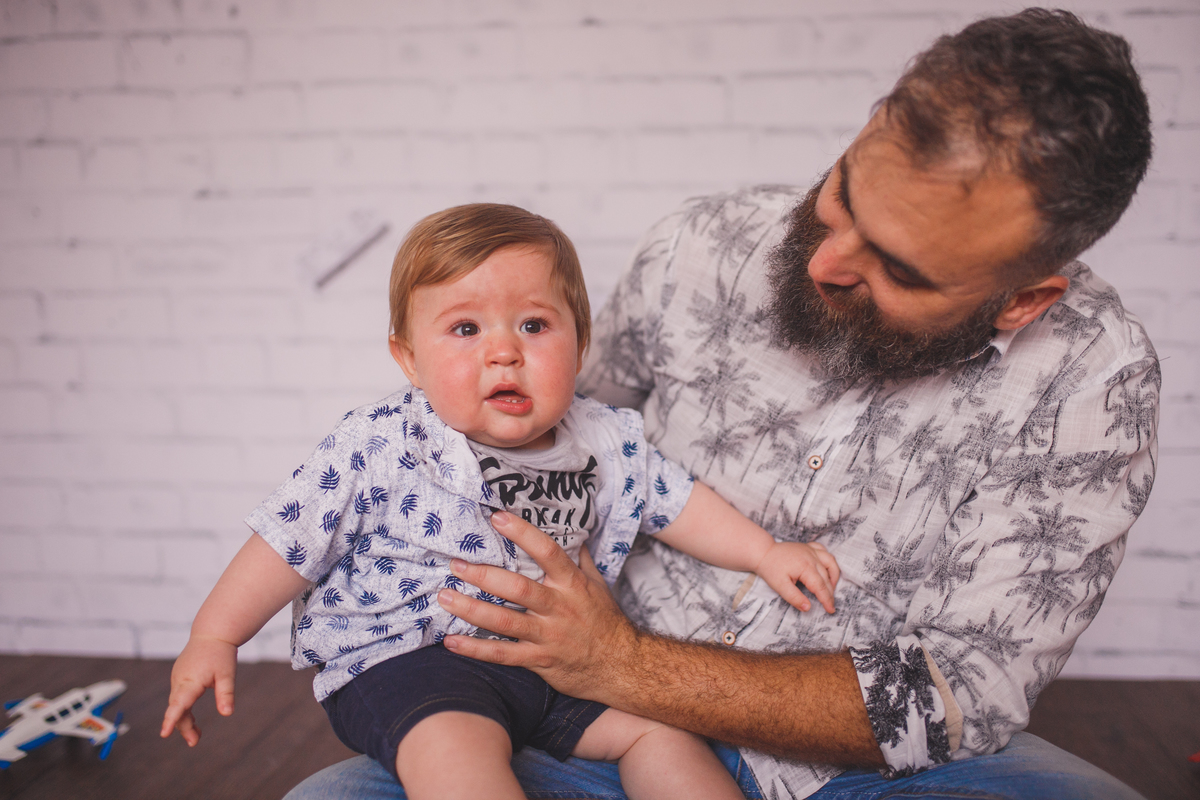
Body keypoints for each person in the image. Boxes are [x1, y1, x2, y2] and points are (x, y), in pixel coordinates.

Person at [284, 8, 1158, 800]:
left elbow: (959, 692)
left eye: (900, 269)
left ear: (1021, 299)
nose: (826, 261)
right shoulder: (701, 247)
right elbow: (561, 439)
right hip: (577, 718)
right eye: (843, 195)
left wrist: (627, 664)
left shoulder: (1091, 376)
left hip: (857, 769)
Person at [161, 202, 843, 800]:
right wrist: (215, 635)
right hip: (414, 659)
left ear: (580, 343)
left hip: (556, 661)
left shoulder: (603, 440)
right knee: (456, 747)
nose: (504, 353)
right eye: (466, 330)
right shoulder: (383, 442)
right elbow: (289, 539)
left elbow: (677, 502)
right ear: (409, 358)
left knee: (659, 733)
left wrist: (764, 551)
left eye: (534, 325)